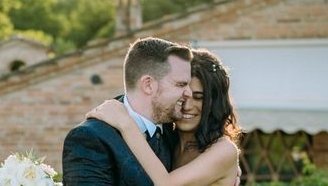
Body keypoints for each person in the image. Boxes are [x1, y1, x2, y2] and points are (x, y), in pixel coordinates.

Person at [87, 49, 241, 186]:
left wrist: (126, 123)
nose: (187, 106)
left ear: (214, 103)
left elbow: (165, 183)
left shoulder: (223, 150)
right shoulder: (166, 138)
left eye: (199, 97)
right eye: (183, 94)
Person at [62, 37, 194, 185]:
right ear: (148, 85)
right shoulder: (90, 138)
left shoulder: (176, 133)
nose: (189, 93)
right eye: (181, 84)